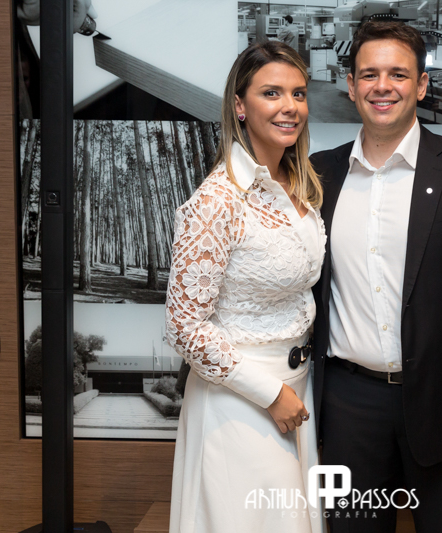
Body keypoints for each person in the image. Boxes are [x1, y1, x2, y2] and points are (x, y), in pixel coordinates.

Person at [310, 21, 442, 532]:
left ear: (421, 85)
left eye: (398, 74)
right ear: (350, 85)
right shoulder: (319, 175)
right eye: (369, 74)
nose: (382, 86)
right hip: (347, 408)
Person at [165, 41, 325, 533]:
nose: (289, 106)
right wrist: (270, 393)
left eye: (298, 94)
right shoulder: (217, 200)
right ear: (240, 105)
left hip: (298, 388)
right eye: (271, 93)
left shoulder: (298, 186)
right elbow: (184, 327)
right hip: (239, 401)